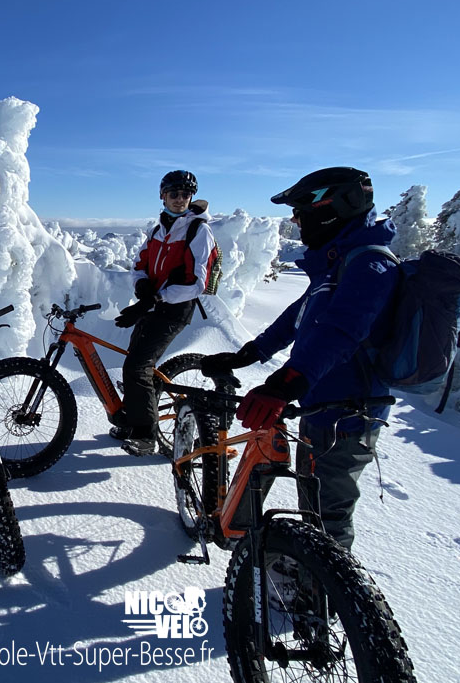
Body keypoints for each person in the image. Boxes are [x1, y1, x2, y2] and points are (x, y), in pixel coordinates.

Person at [201, 167, 399, 550]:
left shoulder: (370, 265)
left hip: (347, 414)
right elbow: (300, 315)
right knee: (313, 507)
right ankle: (312, 587)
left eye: (300, 212)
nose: (295, 220)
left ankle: (325, 603)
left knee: (328, 519)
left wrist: (283, 384)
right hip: (319, 404)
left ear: (330, 209)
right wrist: (252, 353)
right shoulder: (338, 263)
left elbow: (341, 330)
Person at [111, 170, 219, 456]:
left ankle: (146, 435)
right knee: (134, 362)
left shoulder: (198, 229)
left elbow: (197, 283)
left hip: (175, 309)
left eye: (186, 194)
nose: (180, 199)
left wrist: (155, 298)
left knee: (137, 367)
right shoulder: (159, 228)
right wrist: (143, 285)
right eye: (174, 194)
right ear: (163, 196)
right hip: (153, 304)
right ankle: (133, 418)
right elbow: (140, 262)